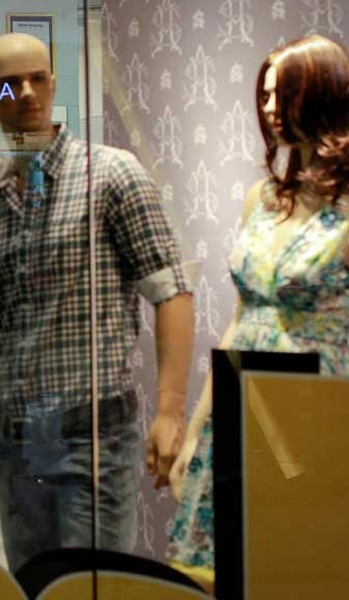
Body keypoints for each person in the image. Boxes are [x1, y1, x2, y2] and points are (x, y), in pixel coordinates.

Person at [0, 33, 195, 572]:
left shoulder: (110, 176)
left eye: (38, 78)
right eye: (10, 83)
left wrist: (172, 410)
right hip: (17, 443)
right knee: (34, 583)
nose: (27, 92)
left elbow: (170, 290)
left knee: (92, 586)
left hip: (92, 437)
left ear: (53, 81)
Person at [168, 35, 349, 594]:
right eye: (265, 95)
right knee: (226, 572)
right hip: (244, 399)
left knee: (301, 570)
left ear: (322, 95)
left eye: (284, 94)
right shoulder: (263, 199)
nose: (269, 108)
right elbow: (241, 318)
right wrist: (197, 428)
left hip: (317, 403)